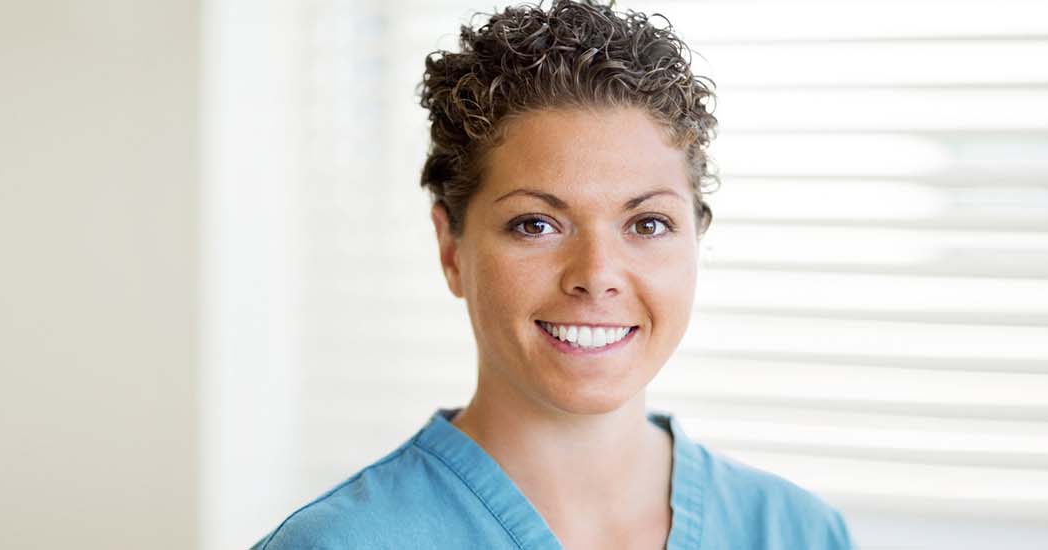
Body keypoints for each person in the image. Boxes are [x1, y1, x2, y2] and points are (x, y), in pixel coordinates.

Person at [251, 1, 853, 548]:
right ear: (451, 249)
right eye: (536, 224)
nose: (596, 276)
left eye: (646, 224)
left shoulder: (796, 532)